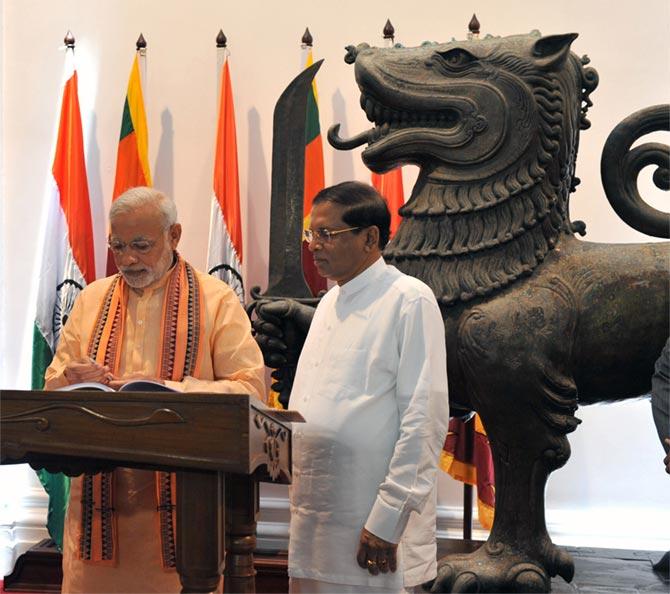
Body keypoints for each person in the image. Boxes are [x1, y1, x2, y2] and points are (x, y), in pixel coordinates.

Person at [44, 186, 265, 593]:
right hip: (98, 513)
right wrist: (74, 379)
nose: (128, 259)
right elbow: (53, 385)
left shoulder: (216, 301)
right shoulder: (92, 299)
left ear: (174, 235)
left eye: (142, 245)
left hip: (186, 507)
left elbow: (250, 390)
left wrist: (164, 389)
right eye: (118, 246)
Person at [255, 181, 449, 593]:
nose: (314, 246)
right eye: (312, 234)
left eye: (327, 234)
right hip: (317, 515)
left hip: (372, 522)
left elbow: (424, 418)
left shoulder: (409, 300)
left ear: (370, 238)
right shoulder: (329, 302)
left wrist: (388, 518)